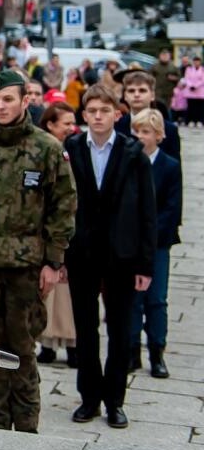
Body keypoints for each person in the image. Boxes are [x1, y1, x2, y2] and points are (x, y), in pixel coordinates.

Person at [0, 71, 76, 433]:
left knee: (23, 348)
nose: (1, 106)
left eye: (8, 99)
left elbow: (63, 206)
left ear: (25, 101)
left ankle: (27, 428)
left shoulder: (46, 148)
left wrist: (53, 262)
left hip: (27, 267)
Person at [64, 84, 156, 428]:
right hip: (83, 252)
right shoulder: (73, 147)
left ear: (117, 114)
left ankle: (115, 400)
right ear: (84, 115)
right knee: (85, 328)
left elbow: (147, 210)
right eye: (92, 111)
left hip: (122, 254)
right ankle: (89, 397)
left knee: (120, 329)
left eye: (105, 111)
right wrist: (59, 256)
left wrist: (145, 263)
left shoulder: (133, 153)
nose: (98, 117)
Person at [129, 108, 180, 380]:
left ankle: (157, 351)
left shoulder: (169, 166)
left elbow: (172, 209)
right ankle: (132, 349)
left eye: (146, 132)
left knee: (156, 299)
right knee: (132, 299)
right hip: (131, 241)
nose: (140, 137)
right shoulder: (129, 161)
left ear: (159, 135)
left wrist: (151, 235)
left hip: (158, 243)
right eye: (137, 131)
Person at [36, 102, 78, 367]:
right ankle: (48, 344)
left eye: (73, 123)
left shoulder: (74, 151)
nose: (71, 128)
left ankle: (73, 346)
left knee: (68, 298)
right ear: (51, 125)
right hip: (45, 235)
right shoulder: (42, 151)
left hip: (70, 235)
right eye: (66, 123)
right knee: (49, 297)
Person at [116, 70, 180, 160]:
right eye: (131, 91)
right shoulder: (116, 127)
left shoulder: (169, 129)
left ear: (152, 95)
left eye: (142, 90)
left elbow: (174, 165)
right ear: (125, 96)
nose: (136, 95)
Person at [181, 56, 204, 127]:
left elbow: (202, 80)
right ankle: (191, 120)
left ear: (200, 62)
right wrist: (191, 85)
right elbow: (186, 78)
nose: (196, 63)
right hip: (190, 90)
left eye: (198, 61)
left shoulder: (202, 69)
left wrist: (196, 86)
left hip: (200, 91)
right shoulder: (189, 69)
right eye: (195, 61)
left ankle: (200, 121)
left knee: (200, 107)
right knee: (191, 106)